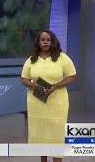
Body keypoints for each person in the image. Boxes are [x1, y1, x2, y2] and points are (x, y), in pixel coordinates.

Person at [21, 29, 76, 162]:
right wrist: (33, 85)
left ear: (52, 42)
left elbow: (72, 76)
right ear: (38, 42)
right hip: (36, 103)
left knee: (57, 134)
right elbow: (24, 79)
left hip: (57, 103)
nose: (45, 42)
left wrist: (55, 86)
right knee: (41, 134)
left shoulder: (62, 58)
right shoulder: (31, 60)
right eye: (42, 40)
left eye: (48, 40)